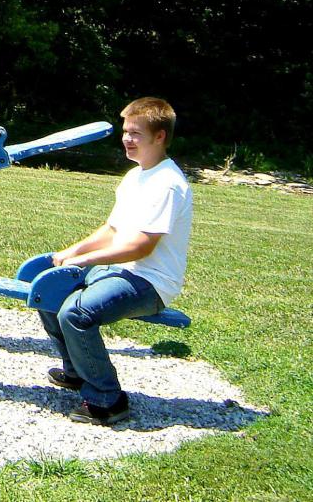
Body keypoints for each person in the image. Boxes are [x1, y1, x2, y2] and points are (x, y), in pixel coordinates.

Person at [40, 97, 193, 425]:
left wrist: (84, 261)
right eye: (125, 131)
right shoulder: (136, 176)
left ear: (159, 137)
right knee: (49, 291)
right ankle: (79, 372)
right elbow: (112, 229)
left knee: (76, 313)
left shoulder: (168, 184)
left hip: (150, 281)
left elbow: (140, 247)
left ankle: (108, 400)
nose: (126, 138)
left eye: (135, 133)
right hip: (120, 270)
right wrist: (73, 252)